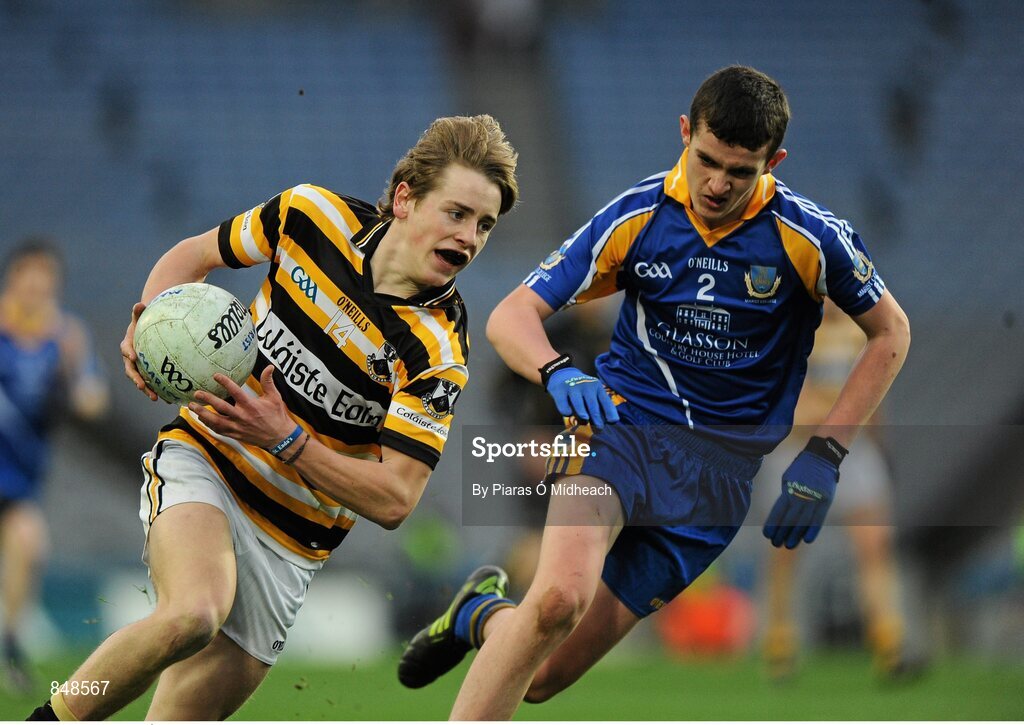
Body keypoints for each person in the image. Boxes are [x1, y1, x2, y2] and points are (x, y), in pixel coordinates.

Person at [397, 66, 911, 719]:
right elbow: (510, 316)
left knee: (540, 674)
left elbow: (891, 332)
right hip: (622, 432)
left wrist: (827, 454)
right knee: (557, 599)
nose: (718, 183)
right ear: (684, 132)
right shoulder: (638, 216)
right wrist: (560, 372)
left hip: (714, 486)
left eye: (741, 170)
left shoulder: (809, 237)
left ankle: (481, 613)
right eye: (707, 160)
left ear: (773, 162)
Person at [27, 114, 518, 721]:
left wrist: (285, 439)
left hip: (292, 545)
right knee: (191, 614)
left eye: (485, 225)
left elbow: (394, 499)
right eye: (457, 213)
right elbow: (194, 254)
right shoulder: (312, 215)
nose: (469, 238)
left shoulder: (438, 348)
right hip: (208, 459)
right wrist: (146, 323)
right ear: (405, 199)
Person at [760, 300, 915, 680]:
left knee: (874, 547)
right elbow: (792, 403)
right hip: (800, 450)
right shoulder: (792, 329)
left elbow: (874, 394)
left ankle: (889, 643)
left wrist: (879, 442)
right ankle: (781, 643)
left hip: (852, 449)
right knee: (784, 553)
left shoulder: (864, 330)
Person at [0, 239, 109, 693]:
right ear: (14, 279)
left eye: (46, 282)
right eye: (30, 279)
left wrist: (73, 380)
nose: (37, 289)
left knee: (31, 545)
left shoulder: (65, 336)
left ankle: (10, 643)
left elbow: (93, 400)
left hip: (21, 475)